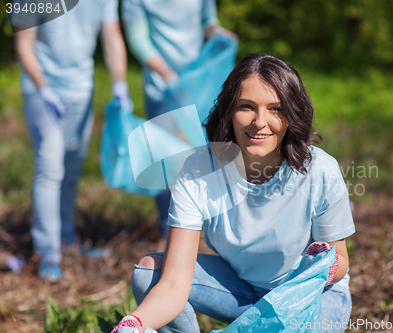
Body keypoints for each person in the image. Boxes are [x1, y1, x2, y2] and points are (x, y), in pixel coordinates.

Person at [112, 54, 355, 333]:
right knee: (149, 274)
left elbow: (342, 261)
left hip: (311, 296)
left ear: (292, 115)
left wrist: (321, 265)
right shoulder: (199, 170)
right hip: (241, 290)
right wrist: (134, 324)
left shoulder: (321, 170)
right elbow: (174, 282)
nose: (259, 122)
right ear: (229, 110)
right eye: (246, 107)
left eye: (275, 109)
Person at [12, 0, 131, 281]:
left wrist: (120, 83)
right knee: (50, 167)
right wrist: (43, 88)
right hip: (43, 90)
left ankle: (67, 240)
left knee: (72, 168)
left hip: (81, 90)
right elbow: (23, 44)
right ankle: (47, 254)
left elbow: (112, 36)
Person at [121, 0, 236, 239]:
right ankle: (169, 230)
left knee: (204, 158)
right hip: (164, 89)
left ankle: (204, 230)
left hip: (199, 86)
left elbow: (208, 22)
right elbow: (138, 41)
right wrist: (167, 74)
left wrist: (219, 32)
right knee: (168, 164)